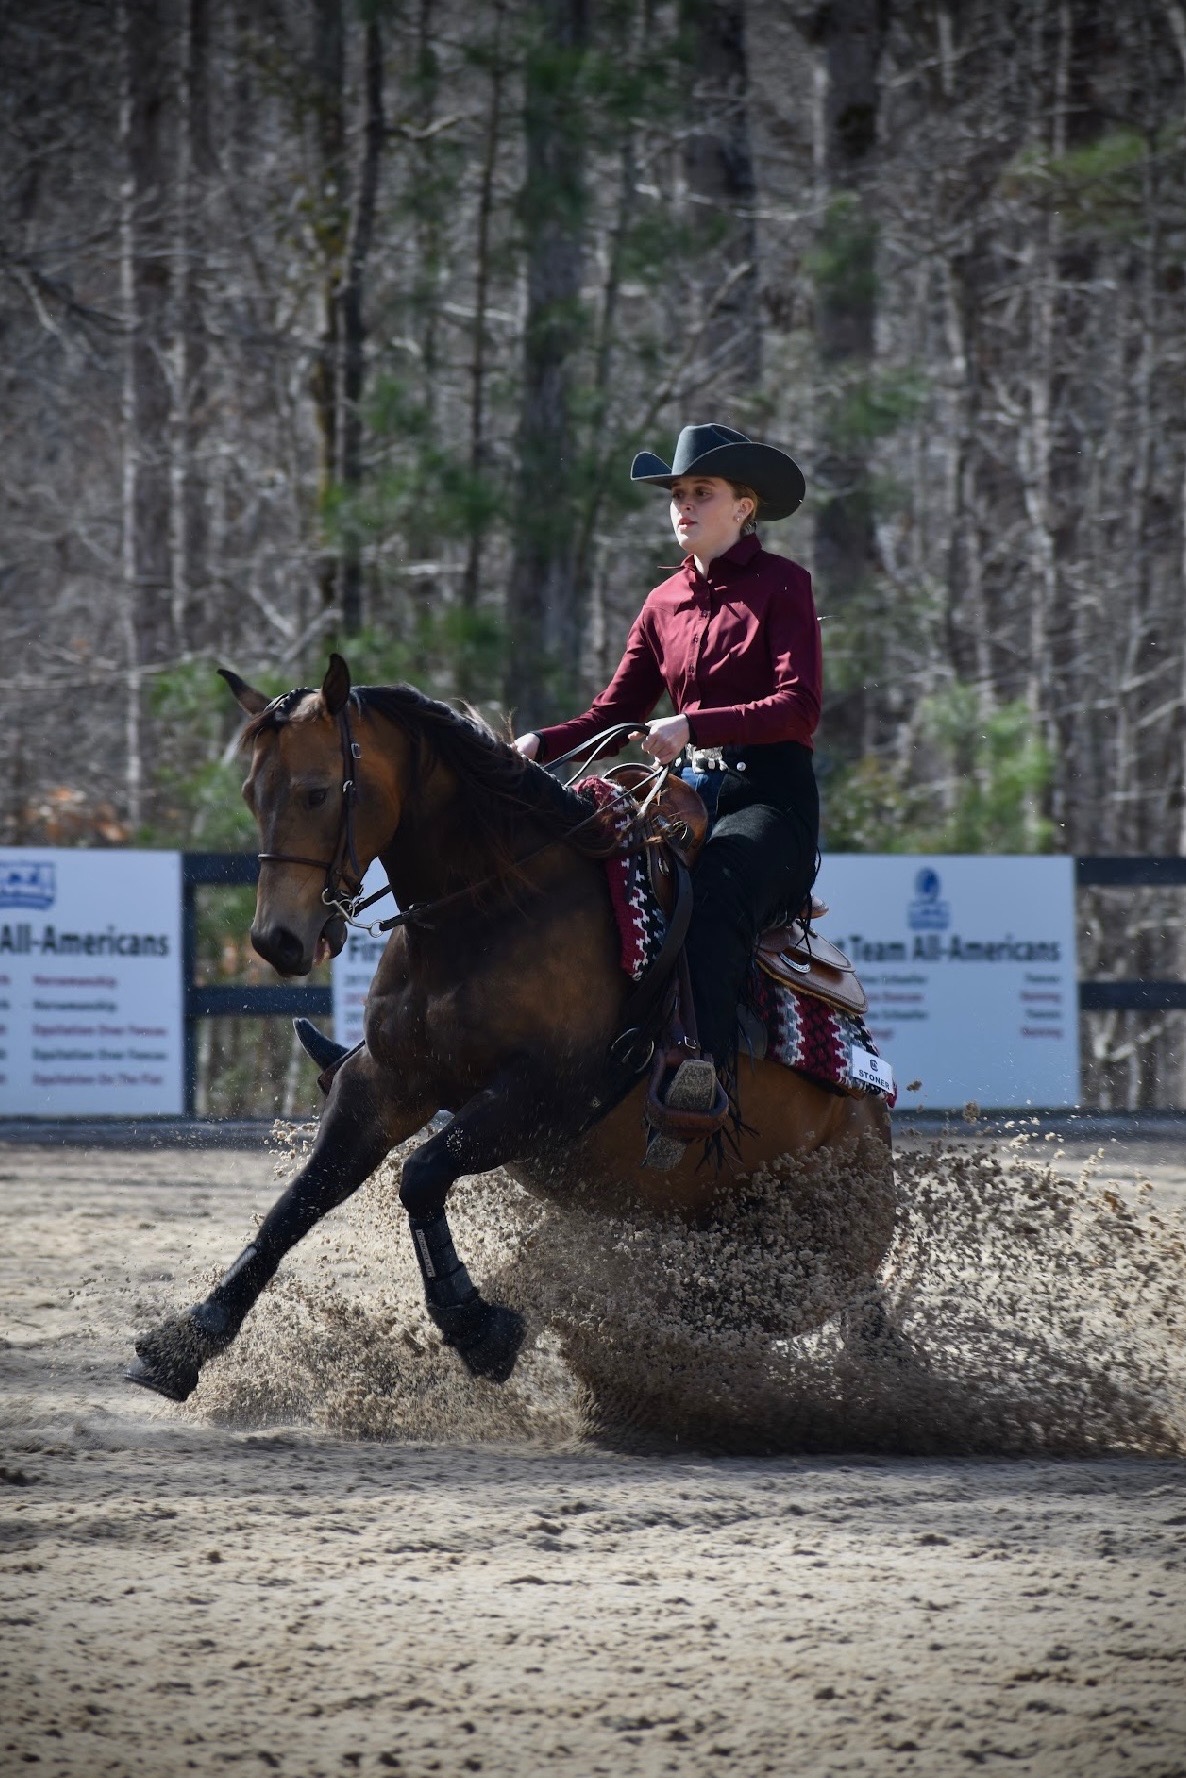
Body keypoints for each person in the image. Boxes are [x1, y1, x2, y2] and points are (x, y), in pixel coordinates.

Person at [514, 422, 821, 1165]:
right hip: (685, 799)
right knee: (585, 886)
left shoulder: (785, 586)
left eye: (701, 493)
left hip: (770, 804)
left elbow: (800, 705)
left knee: (712, 897)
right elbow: (610, 714)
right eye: (677, 495)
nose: (683, 506)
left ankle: (700, 1087)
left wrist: (693, 723)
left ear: (744, 507)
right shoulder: (663, 603)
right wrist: (537, 745)